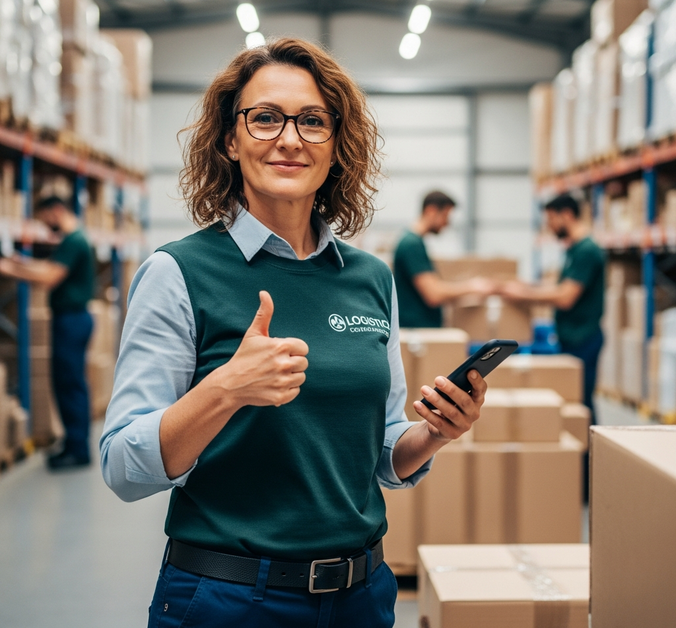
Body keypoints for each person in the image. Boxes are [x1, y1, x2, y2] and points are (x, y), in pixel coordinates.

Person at [100, 38, 488, 628]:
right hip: (228, 598)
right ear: (230, 140)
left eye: (312, 121)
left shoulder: (369, 279)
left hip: (361, 596)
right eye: (265, 119)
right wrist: (226, 389)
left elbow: (385, 451)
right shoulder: (178, 272)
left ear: (337, 146)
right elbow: (123, 468)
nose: (289, 138)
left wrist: (435, 432)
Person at [0, 195, 95, 468]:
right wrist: (20, 263)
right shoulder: (74, 239)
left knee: (69, 384)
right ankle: (74, 444)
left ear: (55, 211)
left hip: (72, 320)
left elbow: (49, 277)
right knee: (69, 382)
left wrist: (10, 269)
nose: (44, 226)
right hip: (74, 319)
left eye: (44, 219)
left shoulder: (74, 240)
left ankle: (77, 449)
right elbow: (48, 267)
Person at [500, 194, 605, 425]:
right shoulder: (574, 249)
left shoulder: (587, 251)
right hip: (571, 336)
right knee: (575, 400)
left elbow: (566, 297)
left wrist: (524, 295)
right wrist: (526, 286)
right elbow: (560, 287)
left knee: (581, 402)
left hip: (583, 337)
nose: (549, 226)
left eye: (551, 219)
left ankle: (589, 457)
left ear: (566, 215)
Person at [393, 190, 494, 328]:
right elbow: (433, 294)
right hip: (417, 332)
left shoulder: (416, 242)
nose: (447, 223)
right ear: (431, 211)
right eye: (446, 216)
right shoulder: (411, 245)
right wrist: (472, 286)